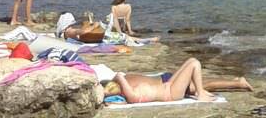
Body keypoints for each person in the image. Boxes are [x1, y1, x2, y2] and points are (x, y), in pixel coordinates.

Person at [107, 58, 252, 104]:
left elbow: (117, 88)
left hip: (166, 83)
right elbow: (118, 77)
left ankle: (237, 82)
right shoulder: (127, 86)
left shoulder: (128, 89)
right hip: (166, 85)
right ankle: (237, 83)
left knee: (201, 82)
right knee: (201, 80)